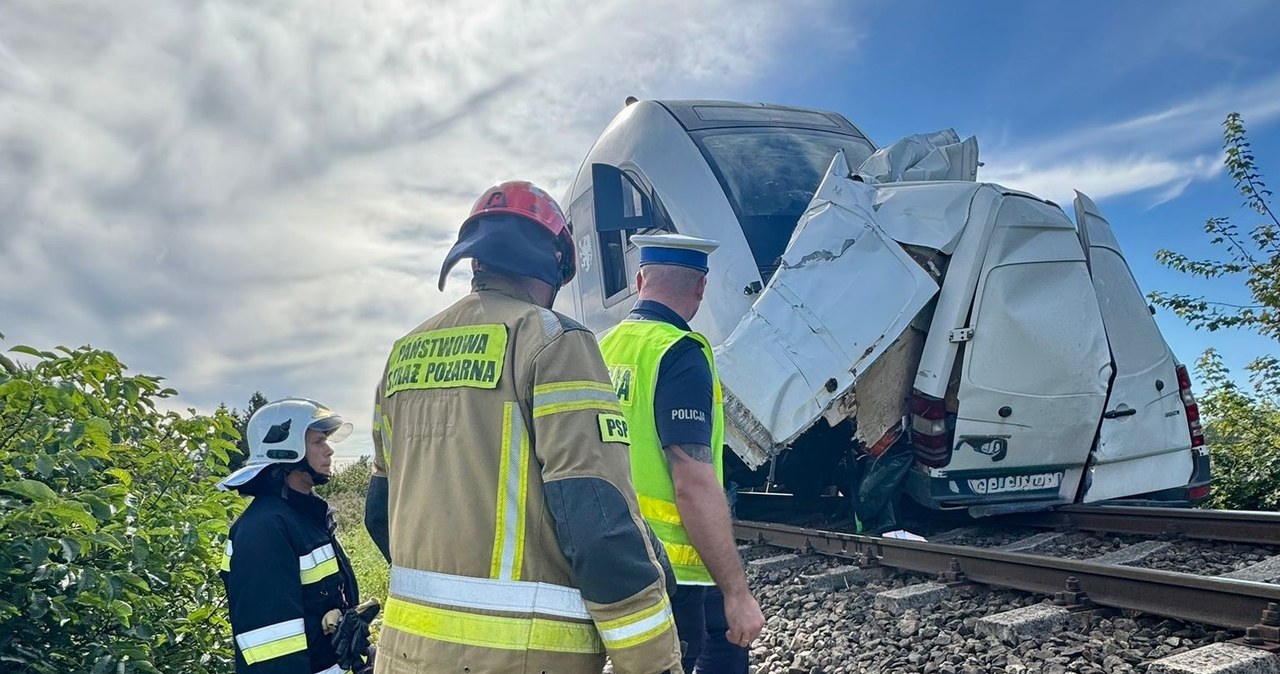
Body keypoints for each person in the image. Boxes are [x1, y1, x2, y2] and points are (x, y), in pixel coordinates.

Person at [366, 181, 682, 674]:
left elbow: (378, 515)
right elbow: (597, 521)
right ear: (555, 264)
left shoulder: (403, 354)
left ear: (475, 261)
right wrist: (652, 661)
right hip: (523, 659)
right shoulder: (554, 342)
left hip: (404, 656)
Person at [599, 234, 766, 674]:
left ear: (639, 280)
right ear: (700, 288)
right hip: (674, 569)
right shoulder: (679, 352)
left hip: (614, 551)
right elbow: (692, 480)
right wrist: (737, 591)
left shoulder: (600, 347)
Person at [217, 398, 376, 674]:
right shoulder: (263, 530)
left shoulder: (305, 517)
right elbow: (273, 652)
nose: (329, 451)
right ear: (286, 451)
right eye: (317, 442)